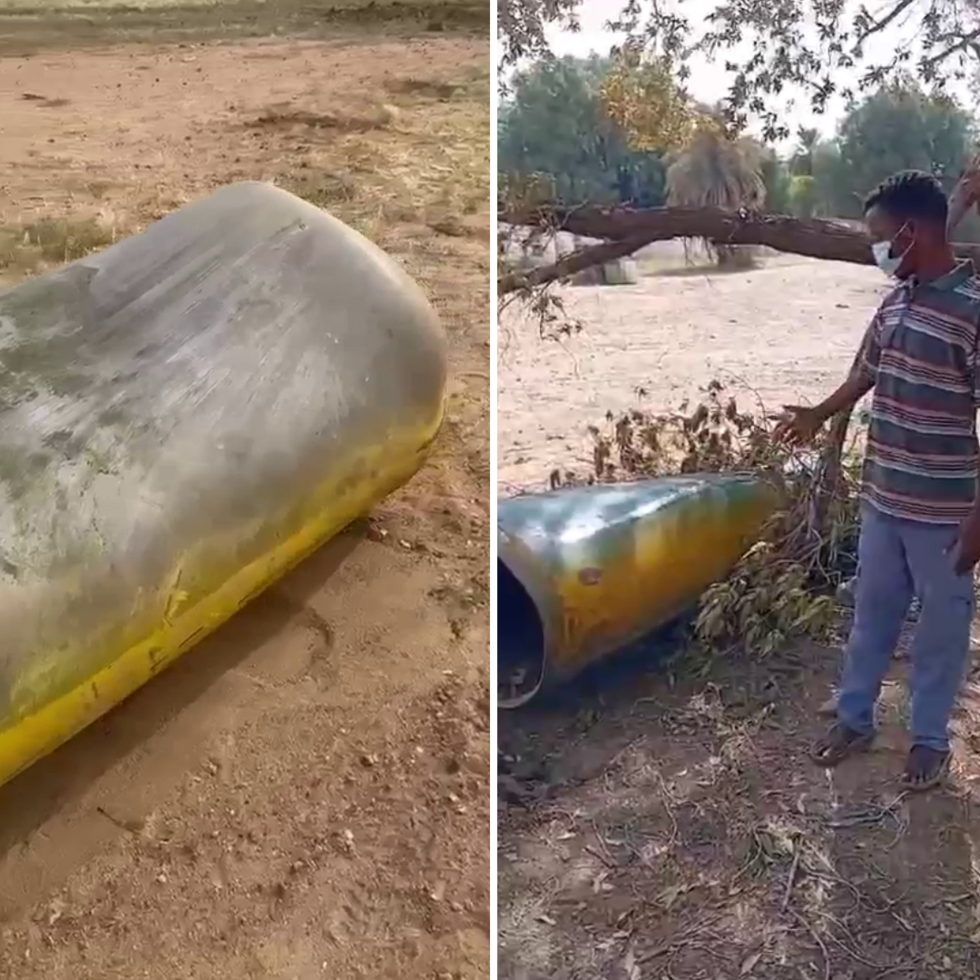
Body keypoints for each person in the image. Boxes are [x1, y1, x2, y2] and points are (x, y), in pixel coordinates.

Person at [776, 170, 980, 791]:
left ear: (913, 233)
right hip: (883, 501)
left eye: (882, 237)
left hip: (945, 515)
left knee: (940, 635)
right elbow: (865, 372)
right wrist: (817, 413)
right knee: (871, 617)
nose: (877, 250)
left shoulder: (972, 313)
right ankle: (854, 718)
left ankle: (927, 739)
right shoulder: (895, 300)